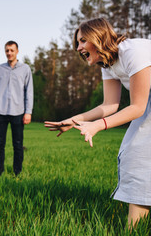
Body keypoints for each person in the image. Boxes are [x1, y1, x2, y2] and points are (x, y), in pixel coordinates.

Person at [44, 18, 151, 227]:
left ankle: (135, 227)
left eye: (83, 40)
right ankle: (136, 228)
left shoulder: (132, 52)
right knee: (135, 156)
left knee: (136, 152)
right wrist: (73, 120)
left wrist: (98, 125)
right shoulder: (107, 63)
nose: (78, 47)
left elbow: (137, 107)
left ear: (98, 36)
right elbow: (110, 105)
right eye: (77, 43)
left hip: (145, 102)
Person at [0, 40, 34, 176]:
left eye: (12, 50)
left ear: (17, 51)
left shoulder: (25, 69)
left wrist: (28, 112)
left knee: (18, 145)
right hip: (0, 112)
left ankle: (17, 173)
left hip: (18, 112)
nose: (9, 53)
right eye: (7, 50)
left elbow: (29, 92)